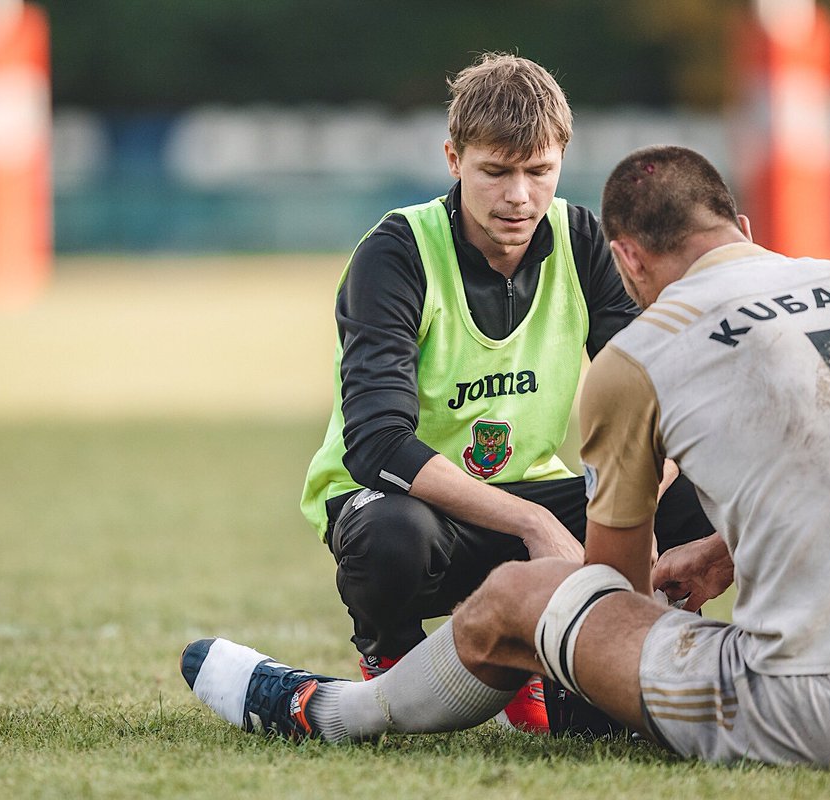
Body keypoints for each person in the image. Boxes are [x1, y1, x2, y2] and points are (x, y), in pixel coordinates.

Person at [182, 144, 830, 766]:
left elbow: (607, 590)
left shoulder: (648, 346)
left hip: (828, 710)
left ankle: (336, 712)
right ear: (740, 224)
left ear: (627, 263)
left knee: (523, 595)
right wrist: (719, 552)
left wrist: (557, 600)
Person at [298, 51, 712, 732]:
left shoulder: (584, 242)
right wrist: (534, 524)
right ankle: (390, 661)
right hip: (416, 503)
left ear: (560, 162)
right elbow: (377, 444)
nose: (519, 196)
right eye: (495, 171)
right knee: (387, 534)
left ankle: (615, 660)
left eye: (539, 171)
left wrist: (639, 497)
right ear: (454, 159)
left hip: (535, 490)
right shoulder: (397, 252)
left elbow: (659, 401)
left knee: (694, 491)